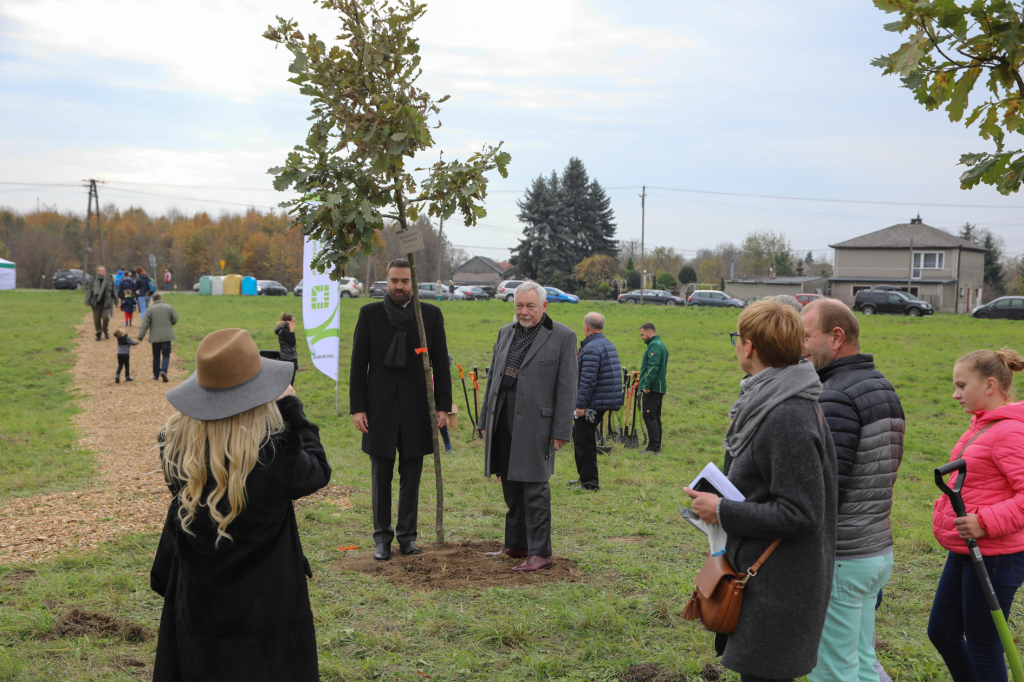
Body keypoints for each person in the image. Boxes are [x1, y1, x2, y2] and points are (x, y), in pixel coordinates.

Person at [151, 328, 329, 681]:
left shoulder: (176, 447)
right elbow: (318, 471)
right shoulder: (276, 452)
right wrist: (292, 409)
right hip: (268, 611)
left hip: (200, 604)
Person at [685, 298, 838, 682]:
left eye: (737, 337)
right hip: (768, 583)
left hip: (778, 589)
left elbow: (803, 513)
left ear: (748, 346)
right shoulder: (772, 398)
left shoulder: (786, 414)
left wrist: (722, 510)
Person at [801, 298, 905, 682]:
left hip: (844, 554)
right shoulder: (880, 385)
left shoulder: (836, 395)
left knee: (832, 671)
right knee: (863, 664)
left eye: (807, 335)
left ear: (837, 336)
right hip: (876, 549)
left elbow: (829, 487)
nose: (801, 345)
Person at [928, 348, 1024, 682]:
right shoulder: (983, 425)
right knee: (942, 631)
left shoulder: (1009, 432)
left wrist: (983, 522)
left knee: (984, 645)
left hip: (998, 555)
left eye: (961, 385)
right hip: (966, 550)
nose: (954, 394)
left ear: (990, 385)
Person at [349, 258, 451, 561]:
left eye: (405, 281)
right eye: (394, 281)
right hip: (378, 410)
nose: (399, 287)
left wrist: (442, 406)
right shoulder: (369, 314)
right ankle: (382, 539)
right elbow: (358, 365)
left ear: (414, 284)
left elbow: (441, 365)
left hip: (417, 410)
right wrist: (358, 408)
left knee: (412, 476)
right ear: (386, 282)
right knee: (380, 477)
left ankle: (407, 537)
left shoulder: (429, 316)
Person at [477, 281, 577, 572]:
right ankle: (517, 545)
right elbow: (493, 380)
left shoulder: (563, 337)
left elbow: (568, 388)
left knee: (534, 489)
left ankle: (541, 553)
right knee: (509, 484)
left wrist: (561, 431)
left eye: (530, 306)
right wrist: (485, 420)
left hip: (538, 425)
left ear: (544, 306)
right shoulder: (505, 332)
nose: (524, 311)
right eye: (519, 305)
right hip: (502, 421)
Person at [571, 311, 622, 491]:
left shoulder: (592, 348)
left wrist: (580, 405)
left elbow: (587, 380)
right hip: (601, 400)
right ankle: (584, 477)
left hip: (591, 404)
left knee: (584, 442)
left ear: (586, 327)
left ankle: (590, 483)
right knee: (580, 438)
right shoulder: (605, 343)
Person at [638, 322, 668, 454]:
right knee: (655, 417)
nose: (642, 337)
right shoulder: (661, 345)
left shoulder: (654, 345)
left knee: (649, 416)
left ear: (650, 332)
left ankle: (653, 447)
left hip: (652, 388)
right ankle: (656, 445)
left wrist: (646, 384)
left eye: (642, 334)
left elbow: (653, 367)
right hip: (659, 387)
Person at [138, 293, 179, 382]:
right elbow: (175, 318)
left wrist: (140, 336)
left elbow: (145, 324)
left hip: (155, 337)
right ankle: (163, 370)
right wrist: (169, 323)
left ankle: (156, 375)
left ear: (153, 300)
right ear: (161, 298)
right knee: (166, 355)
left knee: (156, 356)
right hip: (166, 336)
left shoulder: (150, 310)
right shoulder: (168, 307)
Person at [85, 265, 117, 341]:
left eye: (103, 270)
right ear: (97, 271)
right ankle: (99, 333)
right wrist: (87, 301)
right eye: (100, 270)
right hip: (95, 303)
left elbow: (114, 291)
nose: (102, 271)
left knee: (106, 318)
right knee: (96, 320)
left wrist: (116, 301)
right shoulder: (93, 280)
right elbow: (89, 291)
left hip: (106, 303)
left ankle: (105, 331)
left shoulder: (109, 279)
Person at [275, 313, 298, 385]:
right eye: (293, 321)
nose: (295, 323)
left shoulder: (284, 331)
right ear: (288, 322)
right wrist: (292, 332)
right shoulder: (284, 331)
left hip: (290, 357)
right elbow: (292, 343)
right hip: (288, 359)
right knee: (289, 383)